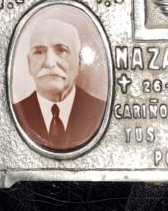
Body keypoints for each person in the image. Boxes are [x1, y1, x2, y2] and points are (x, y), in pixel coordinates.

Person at [12, 18, 106, 152]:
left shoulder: (99, 110)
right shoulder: (16, 113)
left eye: (62, 50)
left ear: (80, 61)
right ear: (29, 64)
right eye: (39, 52)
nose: (49, 63)